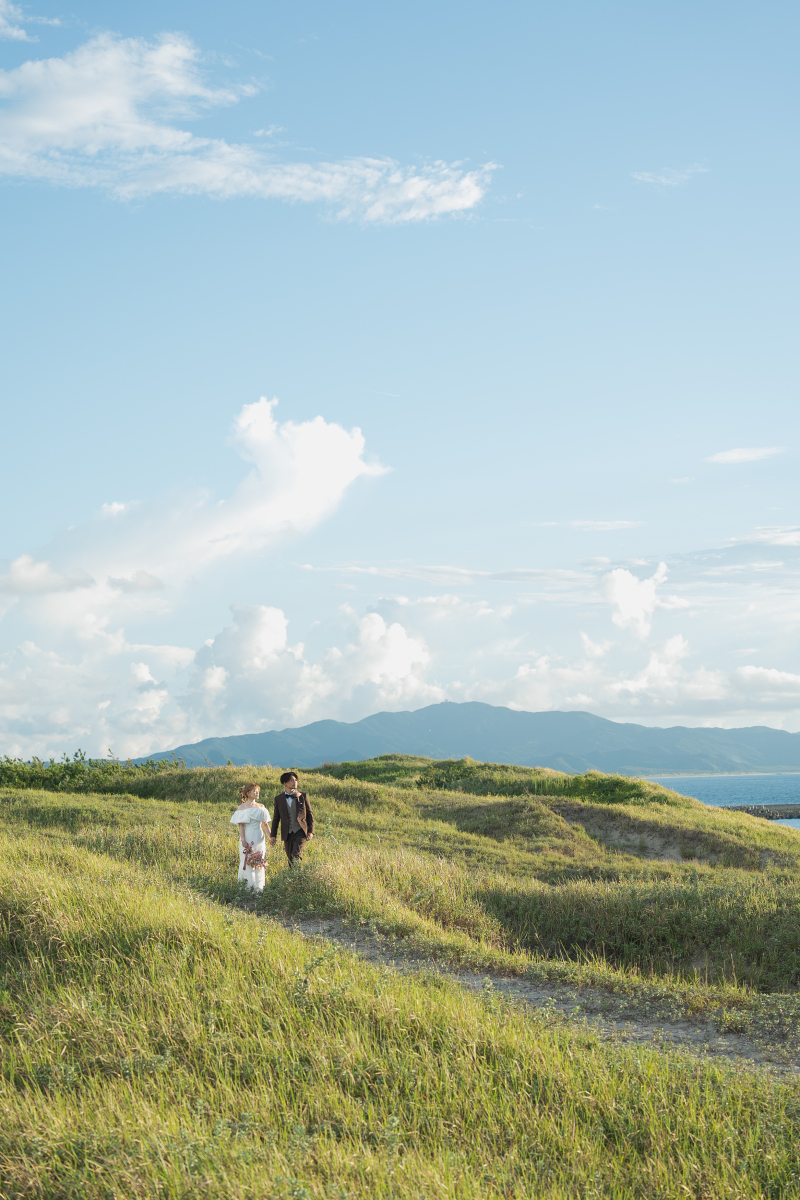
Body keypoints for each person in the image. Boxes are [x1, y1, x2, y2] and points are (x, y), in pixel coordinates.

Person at [229, 783, 271, 892]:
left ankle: (259, 888)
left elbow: (265, 824)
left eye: (258, 791)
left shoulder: (261, 807)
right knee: (247, 860)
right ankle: (247, 887)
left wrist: (271, 837)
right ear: (248, 793)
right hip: (247, 835)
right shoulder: (242, 807)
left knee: (259, 861)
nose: (257, 793)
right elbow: (241, 825)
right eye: (254, 791)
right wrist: (243, 839)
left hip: (259, 836)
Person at [269, 771, 314, 865]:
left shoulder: (303, 796)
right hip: (287, 833)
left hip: (300, 831)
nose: (295, 782)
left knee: (295, 857)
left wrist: (310, 831)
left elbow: (309, 814)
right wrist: (273, 835)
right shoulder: (278, 799)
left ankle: (297, 876)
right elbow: (276, 818)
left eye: (296, 780)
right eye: (292, 780)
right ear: (285, 783)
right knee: (290, 858)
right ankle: (293, 877)